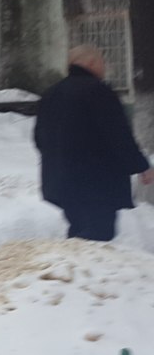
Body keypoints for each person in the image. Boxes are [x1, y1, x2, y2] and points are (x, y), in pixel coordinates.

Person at [34, 44, 153, 241]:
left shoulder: (51, 93)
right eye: (102, 62)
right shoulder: (99, 91)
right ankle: (80, 268)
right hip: (96, 184)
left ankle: (72, 268)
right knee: (98, 233)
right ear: (92, 62)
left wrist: (57, 159)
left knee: (78, 229)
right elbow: (117, 135)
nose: (105, 67)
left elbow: (39, 138)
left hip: (60, 181)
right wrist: (141, 166)